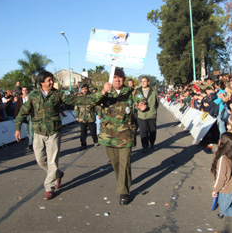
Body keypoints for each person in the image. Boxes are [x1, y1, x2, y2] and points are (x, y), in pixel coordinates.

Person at [15, 71, 109, 200]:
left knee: (52, 161)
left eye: (52, 80)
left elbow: (80, 99)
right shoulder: (33, 95)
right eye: (48, 80)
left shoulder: (57, 94)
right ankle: (58, 174)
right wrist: (17, 128)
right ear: (42, 82)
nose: (51, 82)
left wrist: (102, 93)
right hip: (38, 132)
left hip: (54, 132)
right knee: (40, 160)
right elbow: (23, 111)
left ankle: (49, 187)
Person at [98, 68, 147, 205]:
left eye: (120, 77)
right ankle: (124, 181)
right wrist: (103, 92)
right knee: (115, 163)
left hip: (126, 133)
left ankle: (123, 192)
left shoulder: (131, 92)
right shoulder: (106, 92)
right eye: (114, 77)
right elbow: (93, 102)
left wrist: (142, 104)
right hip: (109, 134)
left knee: (125, 163)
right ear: (110, 79)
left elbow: (140, 98)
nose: (117, 80)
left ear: (124, 79)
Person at [137, 77, 159, 153]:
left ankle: (152, 143)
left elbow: (157, 103)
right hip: (141, 115)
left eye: (144, 81)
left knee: (152, 131)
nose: (142, 83)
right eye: (141, 81)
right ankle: (145, 145)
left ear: (148, 82)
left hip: (151, 114)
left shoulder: (154, 91)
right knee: (143, 131)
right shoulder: (137, 91)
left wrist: (153, 109)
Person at [74, 84, 99, 150]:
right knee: (83, 132)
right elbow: (76, 107)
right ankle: (83, 144)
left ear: (88, 89)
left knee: (93, 130)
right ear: (81, 90)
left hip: (90, 116)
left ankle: (95, 140)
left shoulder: (91, 96)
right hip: (82, 117)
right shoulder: (79, 97)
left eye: (86, 89)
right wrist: (76, 116)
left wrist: (99, 113)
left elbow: (96, 105)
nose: (84, 90)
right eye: (83, 89)